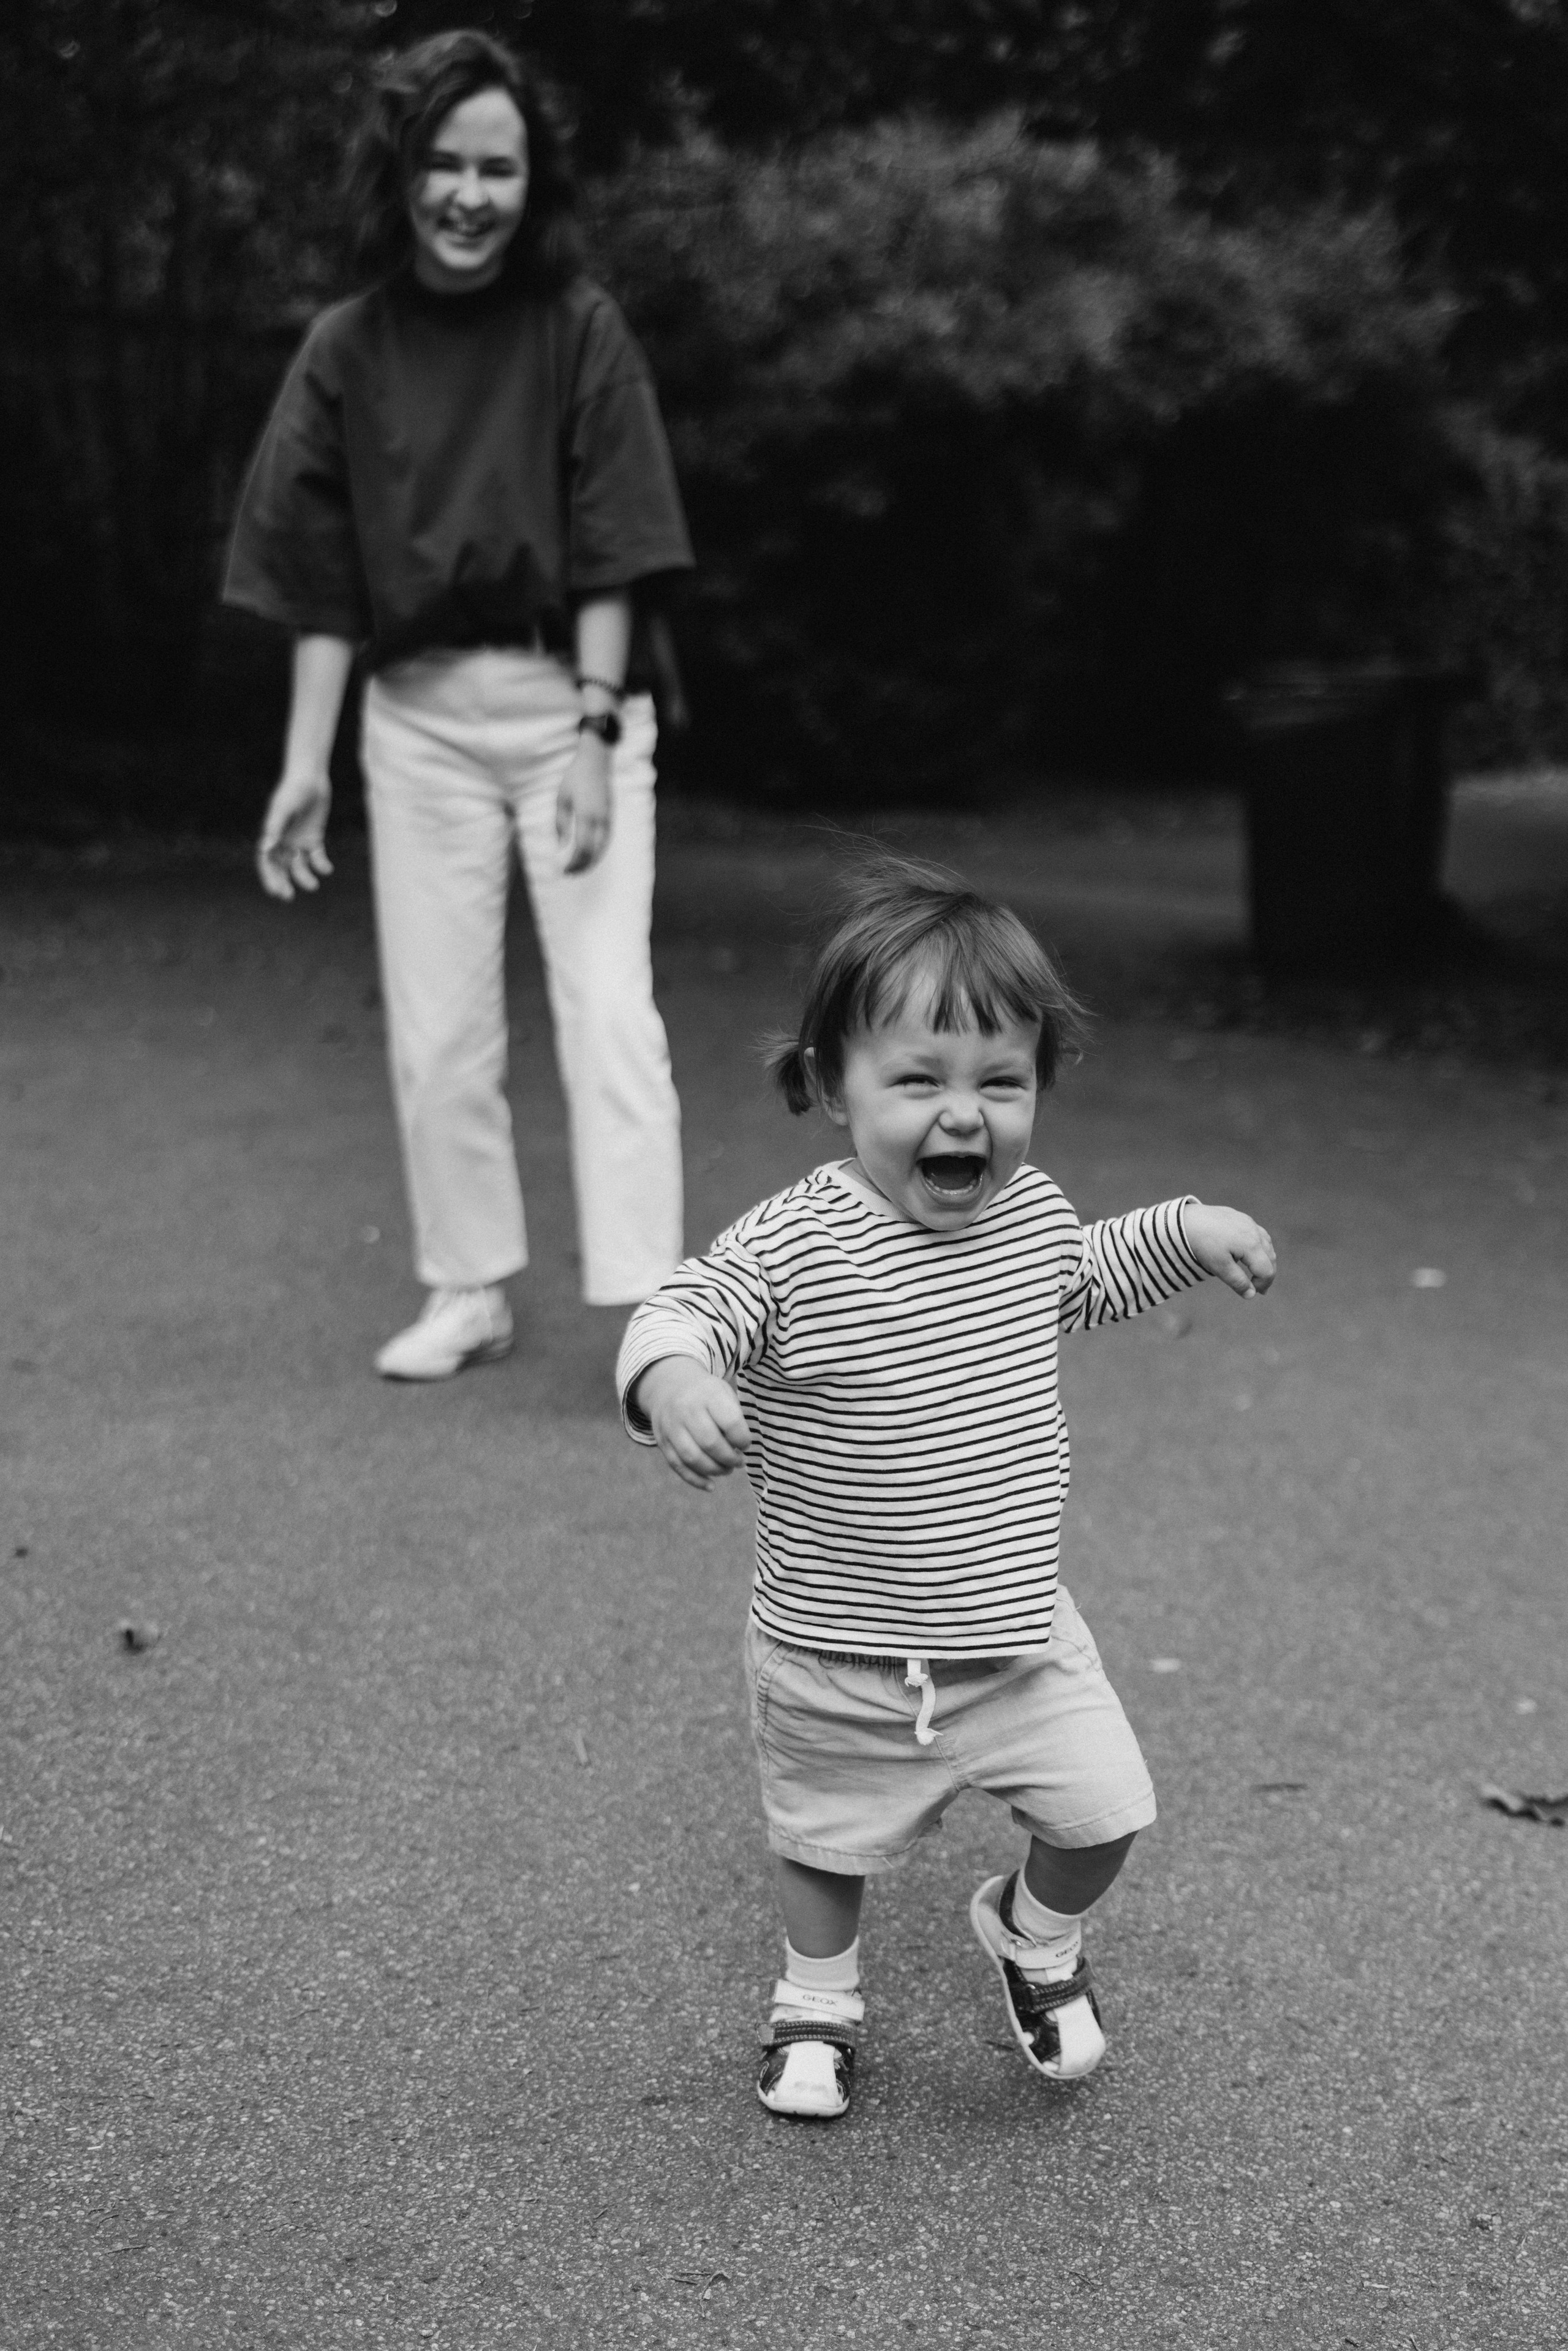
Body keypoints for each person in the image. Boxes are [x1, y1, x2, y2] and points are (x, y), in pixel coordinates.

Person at [616, 856, 1276, 2119]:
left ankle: (1032, 1930)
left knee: (1104, 1812)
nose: (962, 1114)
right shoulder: (793, 1241)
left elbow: (1087, 1270)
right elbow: (685, 1306)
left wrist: (1189, 1231)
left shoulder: (1027, 1217)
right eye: (917, 1079)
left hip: (1015, 1634)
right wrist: (675, 1376)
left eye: (999, 1082)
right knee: (824, 1838)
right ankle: (817, 1994)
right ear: (832, 1085)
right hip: (835, 1640)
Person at [224, 31, 693, 1379]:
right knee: (438, 1031)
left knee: (608, 1011)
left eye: (500, 168)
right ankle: (468, 1286)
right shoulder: (347, 347)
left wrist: (595, 734)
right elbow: (320, 579)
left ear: (533, 183)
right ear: (400, 171)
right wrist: (305, 764)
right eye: (445, 163)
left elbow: (615, 542)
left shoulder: (578, 328)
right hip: (418, 720)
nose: (471, 195)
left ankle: (656, 1316)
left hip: (570, 712)